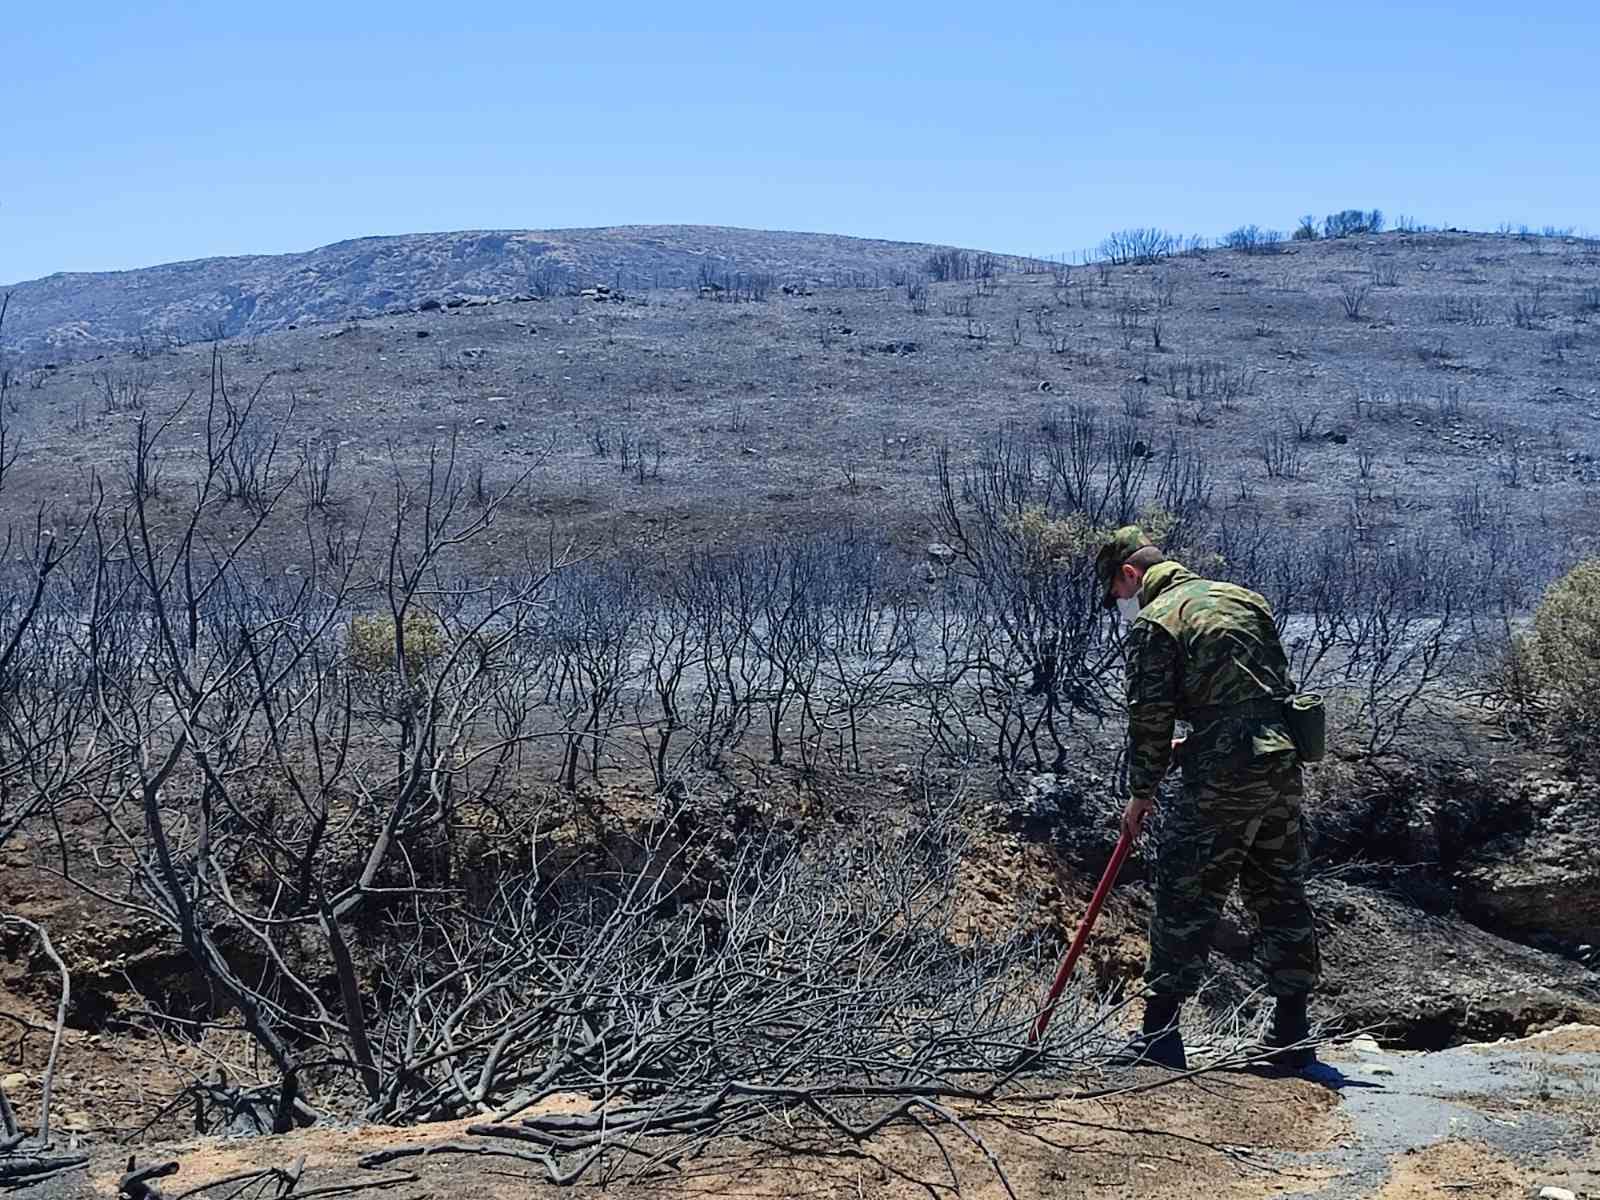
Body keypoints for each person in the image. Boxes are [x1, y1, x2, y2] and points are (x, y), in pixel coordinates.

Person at [1094, 526, 1319, 1071]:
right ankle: (1292, 1034)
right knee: (1278, 889)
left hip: (1224, 773)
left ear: (1130, 575)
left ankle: (1160, 1036)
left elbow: (1148, 716)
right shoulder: (1245, 599)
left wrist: (1140, 792)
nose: (1123, 606)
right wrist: (1205, 733)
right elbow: (1261, 690)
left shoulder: (1157, 620)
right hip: (1280, 762)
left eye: (1119, 595)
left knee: (1186, 889)